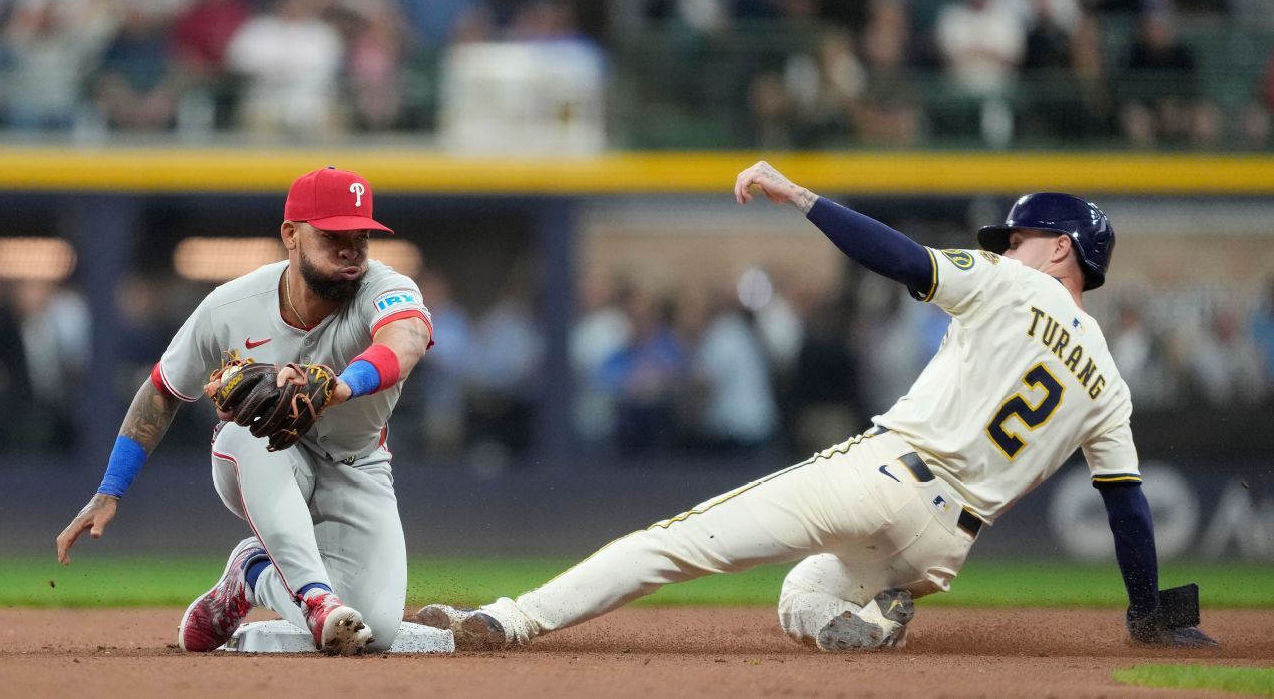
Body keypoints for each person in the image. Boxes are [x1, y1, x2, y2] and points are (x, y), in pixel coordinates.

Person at [413, 161, 1218, 652]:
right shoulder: (1109, 380)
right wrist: (1146, 609)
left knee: (677, 541)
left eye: (1017, 237)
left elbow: (902, 259)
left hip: (888, 475)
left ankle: (509, 619)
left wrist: (803, 198)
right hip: (943, 549)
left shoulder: (1011, 281)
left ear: (1061, 248)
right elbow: (1127, 505)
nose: (1006, 247)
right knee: (805, 593)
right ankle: (864, 627)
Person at [55, 167, 433, 655]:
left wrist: (342, 386)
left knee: (374, 631)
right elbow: (163, 390)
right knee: (249, 426)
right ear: (291, 235)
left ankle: (251, 574)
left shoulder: (384, 286)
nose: (350, 250)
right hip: (263, 456)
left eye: (360, 236)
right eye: (333, 236)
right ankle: (315, 600)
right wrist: (110, 490)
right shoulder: (230, 305)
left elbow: (406, 341)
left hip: (356, 463)